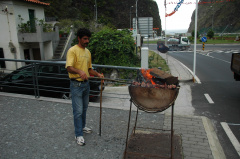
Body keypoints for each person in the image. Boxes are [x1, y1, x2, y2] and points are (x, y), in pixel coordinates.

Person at [65, 28, 104, 146]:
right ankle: (78, 134)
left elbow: (89, 69)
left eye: (88, 39)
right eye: (85, 39)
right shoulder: (72, 50)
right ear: (79, 38)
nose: (87, 41)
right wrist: (79, 72)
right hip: (76, 85)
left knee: (85, 109)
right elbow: (69, 67)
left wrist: (98, 74)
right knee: (78, 111)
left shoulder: (88, 52)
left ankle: (82, 127)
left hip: (86, 85)